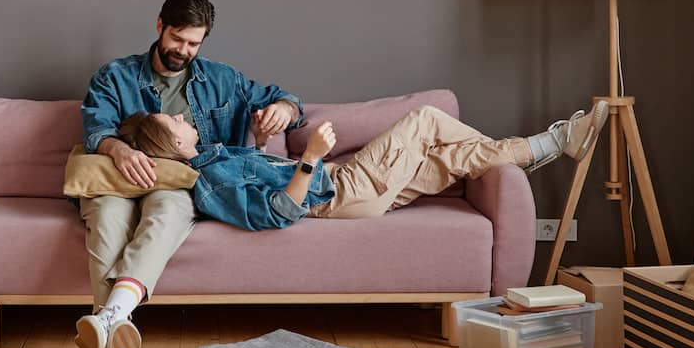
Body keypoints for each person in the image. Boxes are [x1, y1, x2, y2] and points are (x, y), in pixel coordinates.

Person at [77, 0, 303, 348]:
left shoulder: (222, 79)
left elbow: (283, 100)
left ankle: (107, 321)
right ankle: (115, 325)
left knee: (168, 212)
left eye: (193, 43)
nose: (183, 50)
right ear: (160, 26)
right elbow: (97, 128)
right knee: (108, 217)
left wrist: (285, 109)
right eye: (177, 39)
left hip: (178, 184)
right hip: (120, 178)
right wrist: (118, 150)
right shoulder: (115, 75)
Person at [116, 100, 610, 230]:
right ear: (171, 145)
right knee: (426, 118)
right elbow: (278, 213)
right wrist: (309, 158)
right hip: (343, 191)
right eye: (173, 122)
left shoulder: (216, 158)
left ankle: (553, 143)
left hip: (356, 193)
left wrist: (266, 137)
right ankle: (550, 143)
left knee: (452, 156)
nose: (182, 117)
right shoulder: (211, 179)